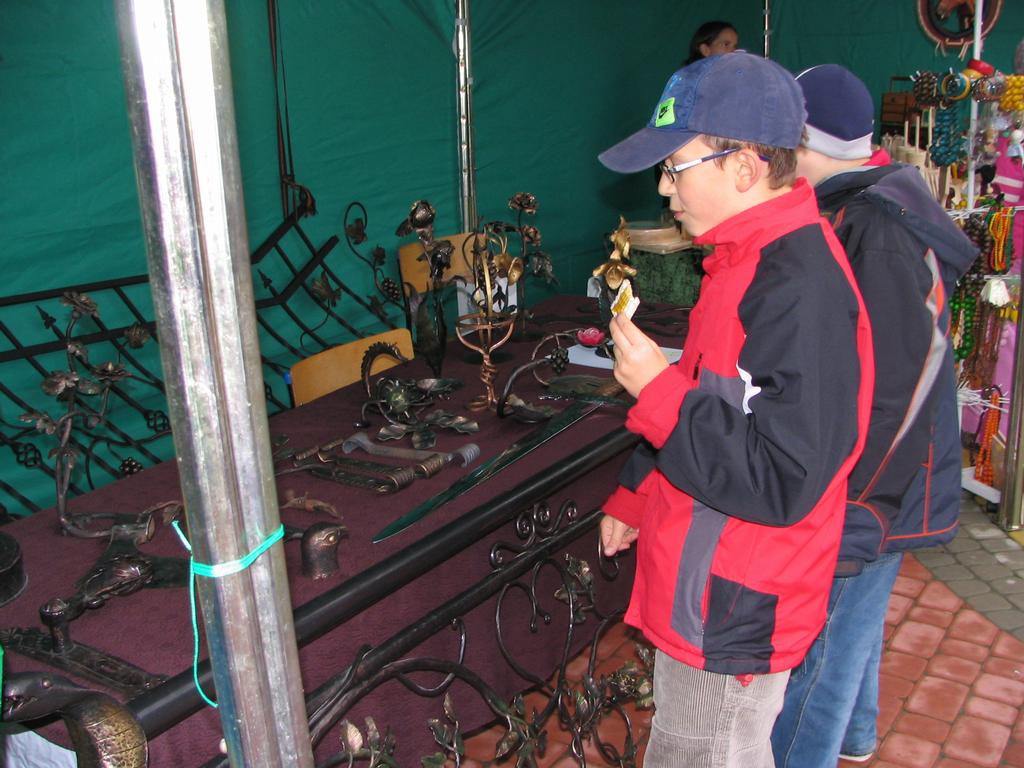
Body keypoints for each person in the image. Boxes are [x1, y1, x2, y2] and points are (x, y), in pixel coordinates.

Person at [596, 52, 874, 768]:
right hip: (704, 575)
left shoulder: (796, 287)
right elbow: (709, 396)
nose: (664, 188)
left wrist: (655, 392)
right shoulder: (739, 262)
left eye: (675, 168)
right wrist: (638, 493)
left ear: (744, 167)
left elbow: (785, 477)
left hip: (734, 605)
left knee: (708, 747)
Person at [770, 64, 977, 767]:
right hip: (884, 476)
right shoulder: (863, 203)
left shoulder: (875, 226)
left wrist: (859, 500)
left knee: (823, 649)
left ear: (803, 143)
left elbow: (899, 386)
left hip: (876, 481)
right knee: (852, 626)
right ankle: (857, 737)